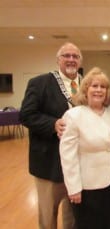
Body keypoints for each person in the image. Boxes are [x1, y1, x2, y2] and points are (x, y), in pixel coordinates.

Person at [19, 42, 82, 229]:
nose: (71, 59)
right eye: (66, 55)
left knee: (74, 217)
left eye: (75, 56)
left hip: (78, 165)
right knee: (48, 218)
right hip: (49, 163)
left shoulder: (87, 84)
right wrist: (52, 124)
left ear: (80, 61)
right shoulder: (40, 83)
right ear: (58, 60)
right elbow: (26, 115)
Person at [59, 67, 110, 229]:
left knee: (109, 224)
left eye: (103, 87)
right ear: (86, 89)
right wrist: (73, 188)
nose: (99, 90)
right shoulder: (74, 115)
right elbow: (68, 156)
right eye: (94, 86)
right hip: (86, 186)